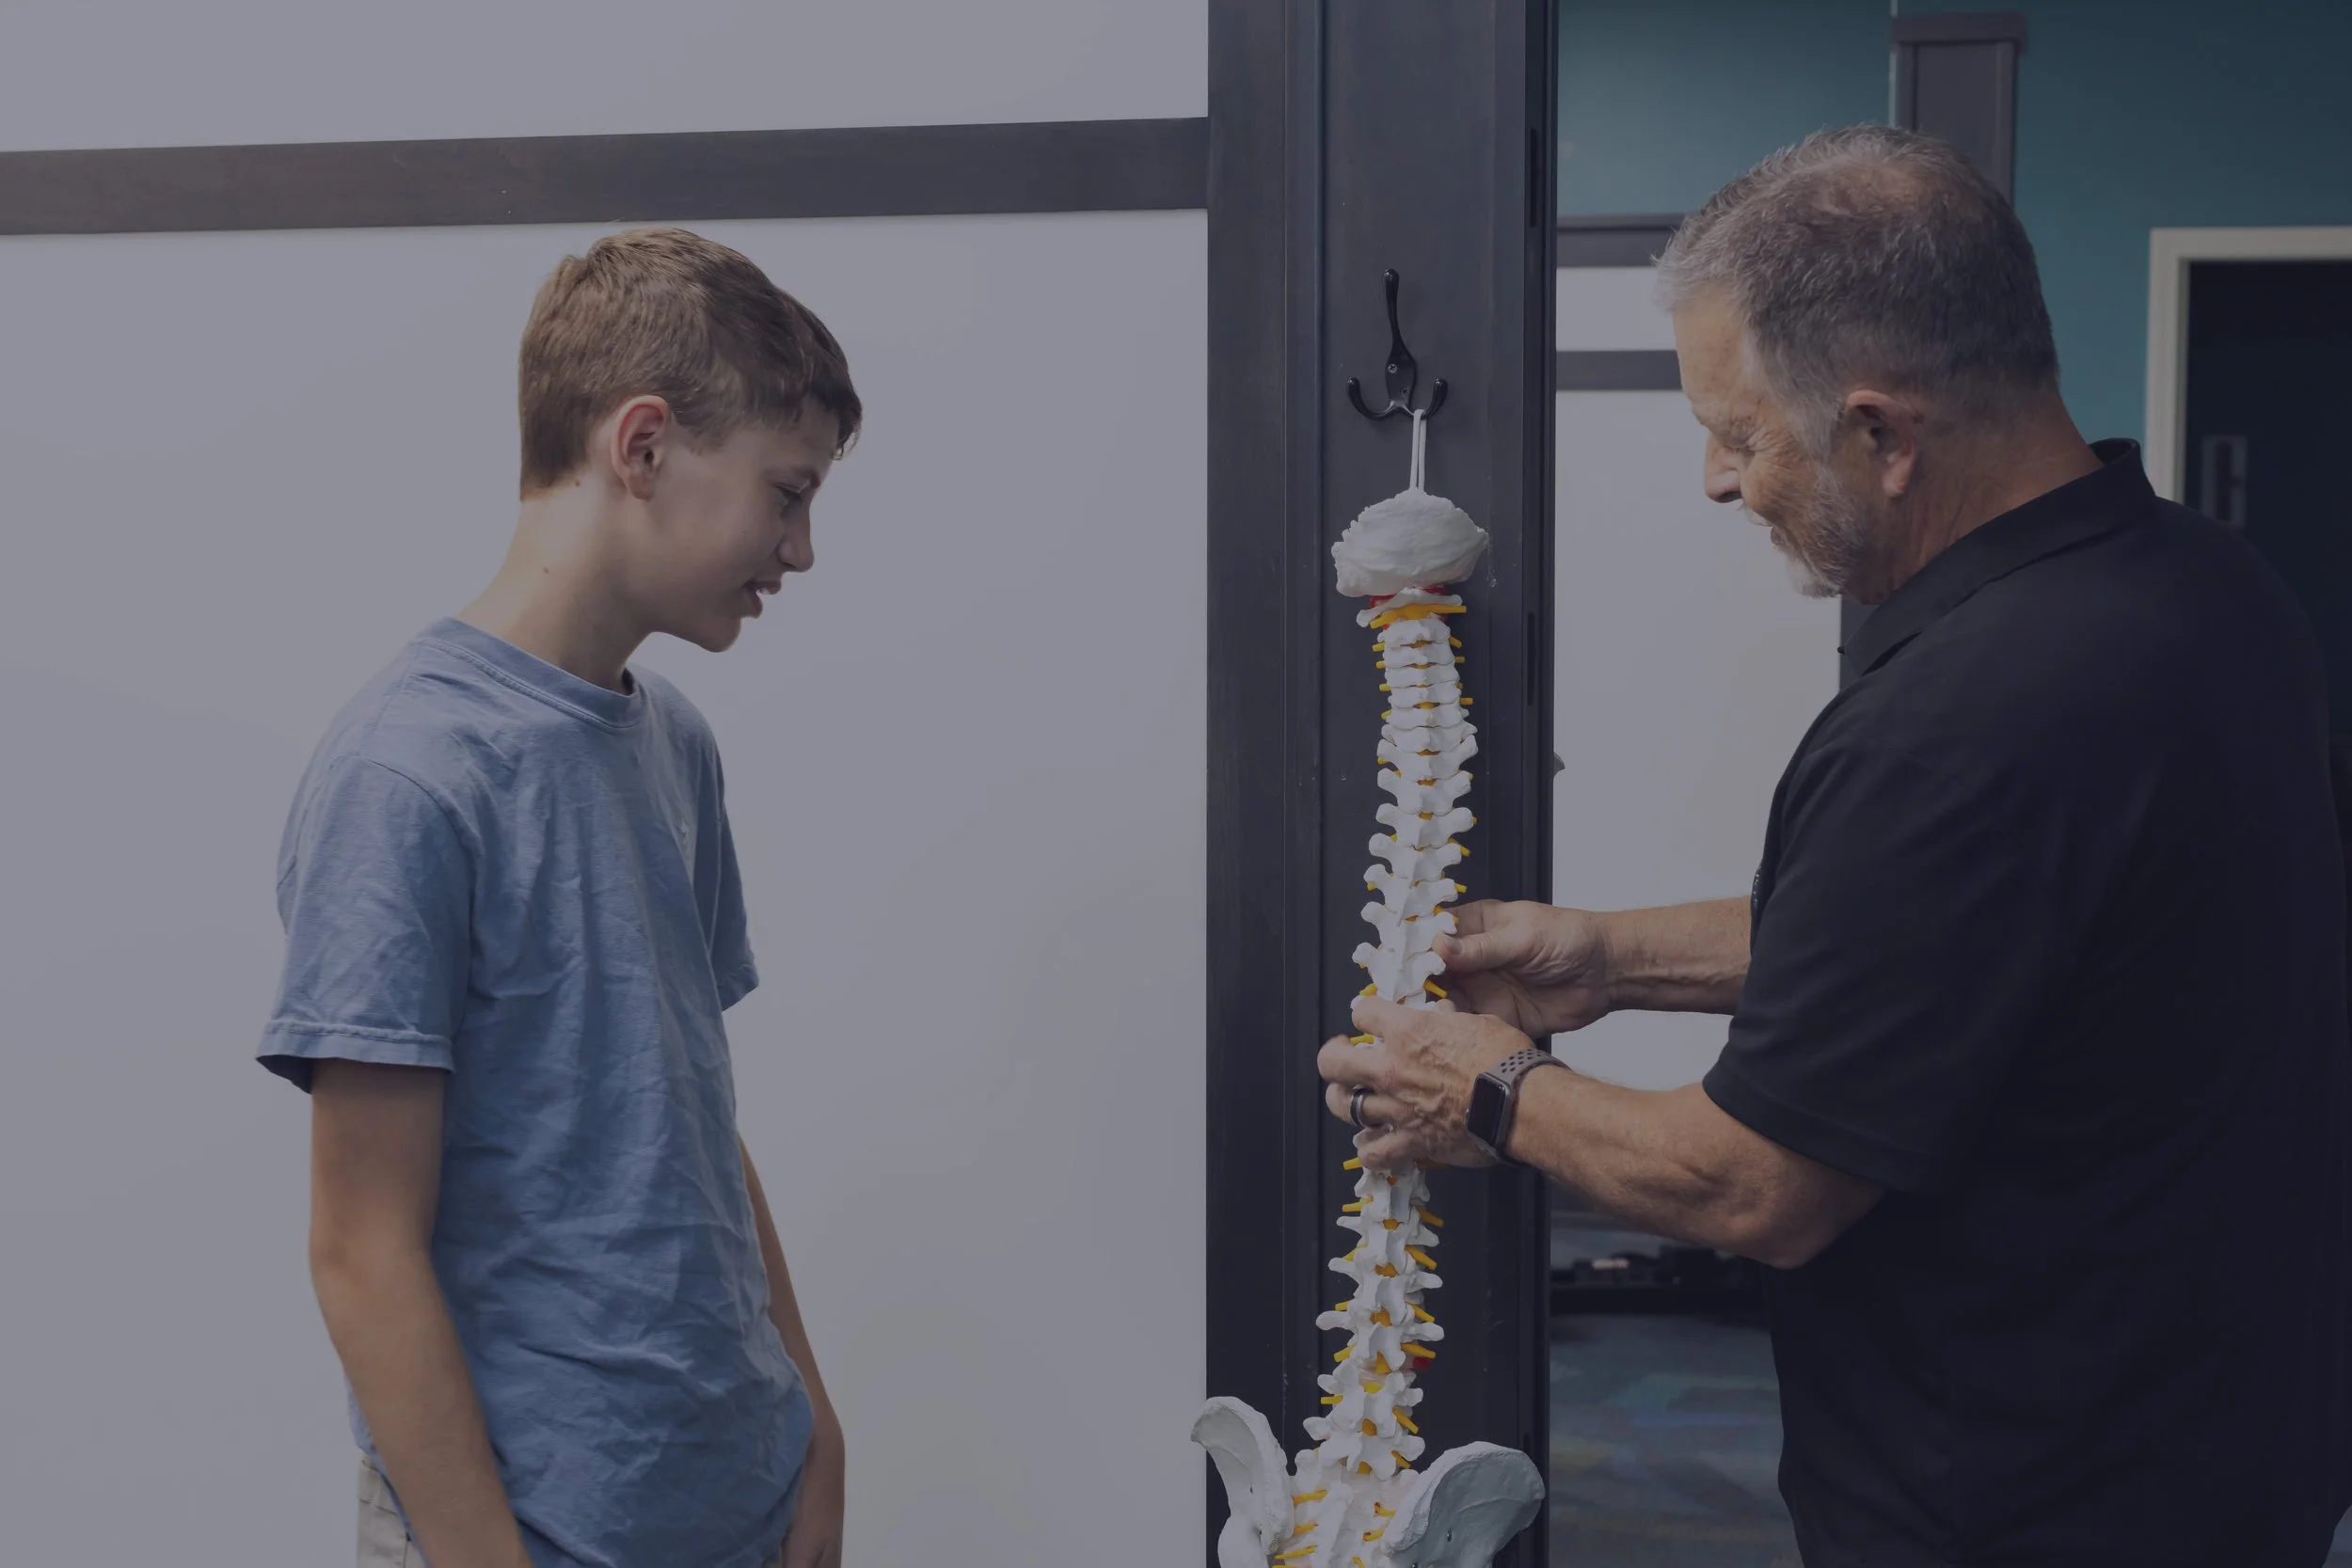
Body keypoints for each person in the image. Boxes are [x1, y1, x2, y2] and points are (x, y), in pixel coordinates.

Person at [1319, 126, 2352, 1567]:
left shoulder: (1961, 720)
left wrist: (1486, 1085)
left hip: (2024, 1511)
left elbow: (1757, 1185)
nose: (1716, 482)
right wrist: (1606, 956)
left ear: (1881, 432)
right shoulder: (2207, 597)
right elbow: (1971, 932)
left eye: (1738, 435)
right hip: (2224, 1468)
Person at [259, 228, 859, 1568]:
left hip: (741, 1503)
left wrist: (814, 1422)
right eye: (786, 491)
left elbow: (688, 1120)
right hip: (536, 1534)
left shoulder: (676, 745)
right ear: (641, 446)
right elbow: (361, 1249)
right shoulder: (406, 774)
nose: (802, 548)